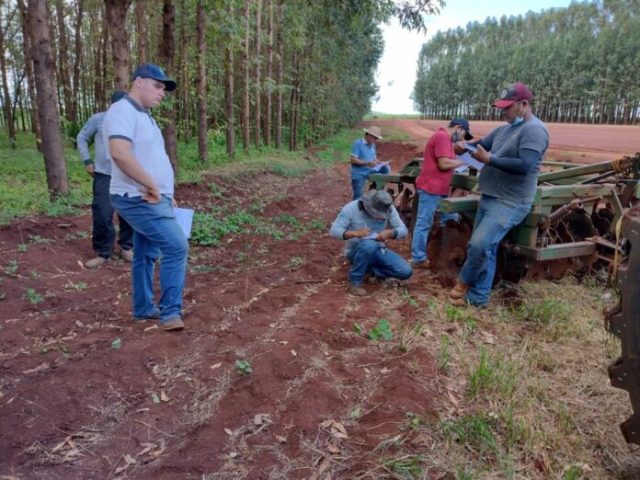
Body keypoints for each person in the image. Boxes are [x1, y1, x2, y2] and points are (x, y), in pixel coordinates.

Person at [104, 64, 188, 331]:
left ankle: (143, 309)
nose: (162, 92)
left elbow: (151, 158)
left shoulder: (145, 116)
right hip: (137, 196)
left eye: (164, 88)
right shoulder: (122, 111)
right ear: (139, 82)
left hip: (153, 196)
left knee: (145, 252)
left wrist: (167, 193)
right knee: (176, 247)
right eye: (158, 85)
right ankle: (170, 313)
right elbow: (120, 153)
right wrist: (153, 186)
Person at [449, 82, 549, 307]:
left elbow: (526, 164)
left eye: (507, 107)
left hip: (510, 201)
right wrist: (465, 146)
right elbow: (481, 145)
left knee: (479, 245)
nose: (503, 111)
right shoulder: (504, 129)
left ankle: (464, 281)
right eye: (501, 107)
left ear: (524, 104)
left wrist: (489, 160)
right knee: (488, 249)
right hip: (490, 195)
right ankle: (479, 299)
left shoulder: (534, 130)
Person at [77, 90, 134, 269]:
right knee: (102, 212)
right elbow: (82, 137)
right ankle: (103, 252)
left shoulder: (132, 122)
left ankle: (127, 247)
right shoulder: (99, 119)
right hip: (104, 175)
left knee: (128, 213)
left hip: (127, 175)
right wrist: (87, 160)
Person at [411, 118, 473, 268]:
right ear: (458, 128)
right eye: (464, 134)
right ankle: (418, 258)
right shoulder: (442, 137)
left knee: (450, 218)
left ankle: (444, 248)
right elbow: (443, 163)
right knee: (424, 222)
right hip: (431, 188)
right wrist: (465, 161)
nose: (463, 137)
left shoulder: (446, 139)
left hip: (439, 188)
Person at [330, 189, 413, 296]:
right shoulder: (351, 208)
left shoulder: (388, 208)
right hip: (355, 251)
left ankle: (372, 272)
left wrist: (391, 233)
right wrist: (355, 234)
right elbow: (334, 230)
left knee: (405, 272)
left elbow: (403, 230)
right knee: (369, 245)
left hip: (378, 249)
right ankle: (355, 282)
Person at [349, 126, 390, 200]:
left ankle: (377, 190)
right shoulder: (358, 143)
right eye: (375, 138)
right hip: (359, 173)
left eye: (376, 138)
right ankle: (355, 209)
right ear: (368, 135)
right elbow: (353, 160)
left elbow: (373, 158)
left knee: (385, 168)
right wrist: (367, 163)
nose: (375, 140)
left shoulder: (372, 145)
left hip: (370, 170)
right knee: (358, 197)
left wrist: (379, 162)